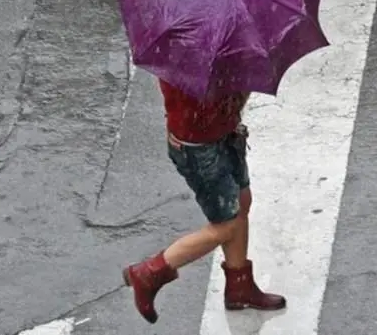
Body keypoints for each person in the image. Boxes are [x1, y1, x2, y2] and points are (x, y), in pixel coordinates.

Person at [121, 78, 286, 324]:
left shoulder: (220, 47)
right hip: (199, 148)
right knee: (226, 226)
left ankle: (240, 287)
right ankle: (150, 273)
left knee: (242, 202)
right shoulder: (193, 54)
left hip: (225, 132)